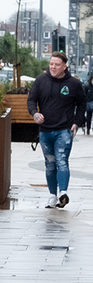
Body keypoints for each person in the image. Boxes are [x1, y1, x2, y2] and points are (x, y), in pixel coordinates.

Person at [27, 51, 86, 209]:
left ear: (64, 66)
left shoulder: (73, 84)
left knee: (62, 161)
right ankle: (52, 195)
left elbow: (82, 103)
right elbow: (31, 100)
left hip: (64, 130)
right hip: (45, 130)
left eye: (57, 65)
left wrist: (77, 122)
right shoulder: (41, 81)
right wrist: (35, 113)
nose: (53, 67)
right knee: (50, 164)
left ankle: (63, 193)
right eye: (51, 64)